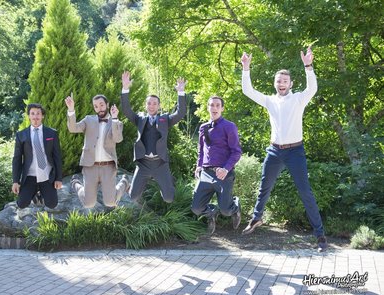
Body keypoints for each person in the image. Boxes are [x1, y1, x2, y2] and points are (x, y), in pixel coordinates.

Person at [240, 47, 328, 252]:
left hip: (295, 152)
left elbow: (312, 89)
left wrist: (308, 66)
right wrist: (246, 69)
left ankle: (320, 236)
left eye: (285, 81)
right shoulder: (270, 101)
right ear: (275, 84)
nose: (281, 84)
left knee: (305, 192)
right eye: (279, 81)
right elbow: (248, 91)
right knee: (264, 186)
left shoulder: (298, 98)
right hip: (274, 151)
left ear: (291, 84)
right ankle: (256, 218)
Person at [120, 71, 186, 203]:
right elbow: (127, 110)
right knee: (133, 197)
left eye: (154, 103)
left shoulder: (165, 119)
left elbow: (180, 113)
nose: (151, 106)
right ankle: (125, 183)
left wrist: (180, 92)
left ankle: (168, 184)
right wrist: (125, 88)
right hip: (143, 164)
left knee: (169, 198)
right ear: (146, 105)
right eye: (149, 103)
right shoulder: (140, 119)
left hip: (160, 164)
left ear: (159, 106)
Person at [65, 94, 129, 208]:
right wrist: (71, 109)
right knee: (88, 204)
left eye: (101, 105)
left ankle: (124, 182)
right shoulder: (88, 120)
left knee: (111, 202)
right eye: (96, 106)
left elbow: (118, 139)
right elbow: (73, 128)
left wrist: (114, 118)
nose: (99, 108)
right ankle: (75, 183)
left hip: (108, 167)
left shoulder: (117, 123)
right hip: (90, 166)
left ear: (107, 105)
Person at [192, 96, 242, 234]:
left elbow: (237, 152)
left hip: (224, 173)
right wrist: (199, 166)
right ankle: (211, 213)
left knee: (226, 211)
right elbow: (201, 150)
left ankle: (235, 206)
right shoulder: (203, 127)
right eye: (211, 105)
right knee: (196, 208)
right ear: (208, 107)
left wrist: (226, 169)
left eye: (217, 105)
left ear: (222, 108)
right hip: (206, 173)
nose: (214, 108)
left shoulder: (229, 126)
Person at [12, 103, 63, 209]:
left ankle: (41, 194)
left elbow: (57, 156)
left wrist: (58, 178)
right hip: (30, 176)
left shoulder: (52, 133)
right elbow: (17, 159)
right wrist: (15, 181)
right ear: (29, 116)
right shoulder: (21, 135)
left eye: (38, 114)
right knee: (21, 204)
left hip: (47, 175)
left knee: (52, 204)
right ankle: (34, 194)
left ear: (42, 116)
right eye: (32, 114)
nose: (35, 117)